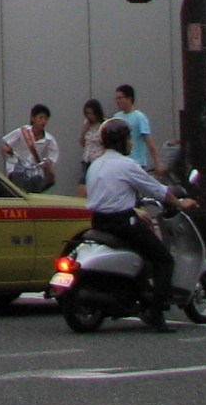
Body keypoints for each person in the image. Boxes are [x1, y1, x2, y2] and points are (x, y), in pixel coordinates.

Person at [85, 118, 192, 330]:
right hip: (122, 223)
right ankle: (156, 312)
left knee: (142, 252)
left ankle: (139, 292)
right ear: (120, 142)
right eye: (129, 139)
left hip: (97, 222)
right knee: (163, 259)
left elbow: (109, 196)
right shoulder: (127, 165)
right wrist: (179, 202)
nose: (132, 144)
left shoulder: (95, 164)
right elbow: (158, 191)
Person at [2, 105, 60, 192]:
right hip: (17, 168)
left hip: (35, 171)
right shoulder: (22, 132)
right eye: (40, 118)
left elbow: (53, 154)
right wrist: (7, 151)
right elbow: (6, 145)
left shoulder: (49, 139)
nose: (43, 121)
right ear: (33, 118)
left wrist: (48, 162)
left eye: (46, 119)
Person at [111, 85, 160, 174]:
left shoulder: (139, 117)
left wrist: (157, 162)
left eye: (120, 98)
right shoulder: (116, 117)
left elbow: (149, 141)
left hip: (137, 163)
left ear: (129, 98)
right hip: (120, 164)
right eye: (116, 99)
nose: (117, 101)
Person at [80, 99, 108, 188]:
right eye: (87, 113)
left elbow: (107, 144)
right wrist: (84, 131)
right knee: (84, 184)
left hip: (99, 159)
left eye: (91, 113)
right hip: (87, 159)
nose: (89, 116)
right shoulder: (86, 124)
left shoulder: (104, 125)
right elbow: (82, 144)